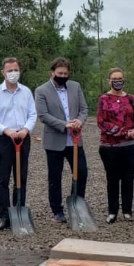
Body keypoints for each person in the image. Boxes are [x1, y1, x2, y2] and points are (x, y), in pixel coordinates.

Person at [35, 57, 88, 224]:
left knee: (81, 173)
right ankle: (57, 211)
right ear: (52, 73)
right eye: (59, 73)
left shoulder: (75, 86)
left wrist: (79, 120)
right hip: (54, 141)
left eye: (65, 73)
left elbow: (84, 109)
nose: (63, 76)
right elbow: (43, 115)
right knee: (55, 177)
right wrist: (64, 125)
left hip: (75, 140)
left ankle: (77, 205)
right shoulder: (41, 91)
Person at [0, 57, 37, 230]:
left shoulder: (26, 92)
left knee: (20, 177)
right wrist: (7, 131)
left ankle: (19, 210)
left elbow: (32, 114)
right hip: (5, 139)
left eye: (15, 69)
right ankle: (4, 216)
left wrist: (25, 130)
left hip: (23, 138)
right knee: (3, 179)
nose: (13, 73)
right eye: (9, 70)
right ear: (3, 72)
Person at [96, 67, 134, 223]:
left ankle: (127, 210)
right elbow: (101, 122)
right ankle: (112, 211)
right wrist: (123, 132)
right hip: (110, 146)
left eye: (120, 79)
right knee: (112, 178)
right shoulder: (104, 99)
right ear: (109, 81)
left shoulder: (131, 98)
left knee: (128, 178)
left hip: (131, 145)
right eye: (115, 79)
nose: (118, 81)